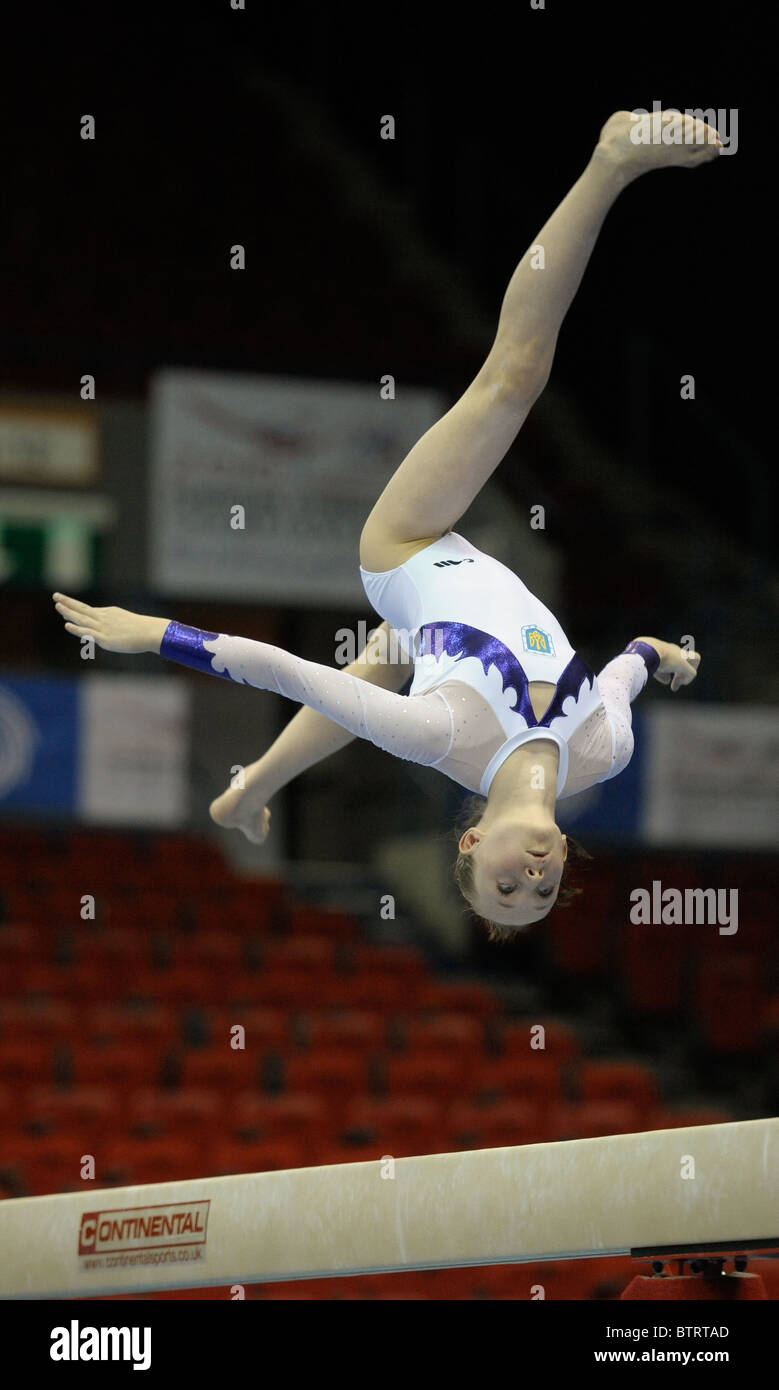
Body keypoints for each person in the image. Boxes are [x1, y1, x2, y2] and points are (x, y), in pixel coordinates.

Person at [53, 110, 716, 937]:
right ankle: (251, 788)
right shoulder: (605, 749)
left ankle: (609, 160)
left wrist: (151, 633)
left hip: (407, 550)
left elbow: (283, 669)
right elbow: (630, 663)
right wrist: (670, 656)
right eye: (540, 896)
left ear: (471, 839)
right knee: (384, 661)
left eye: (502, 888)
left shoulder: (437, 735)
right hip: (427, 627)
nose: (529, 883)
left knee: (511, 379)